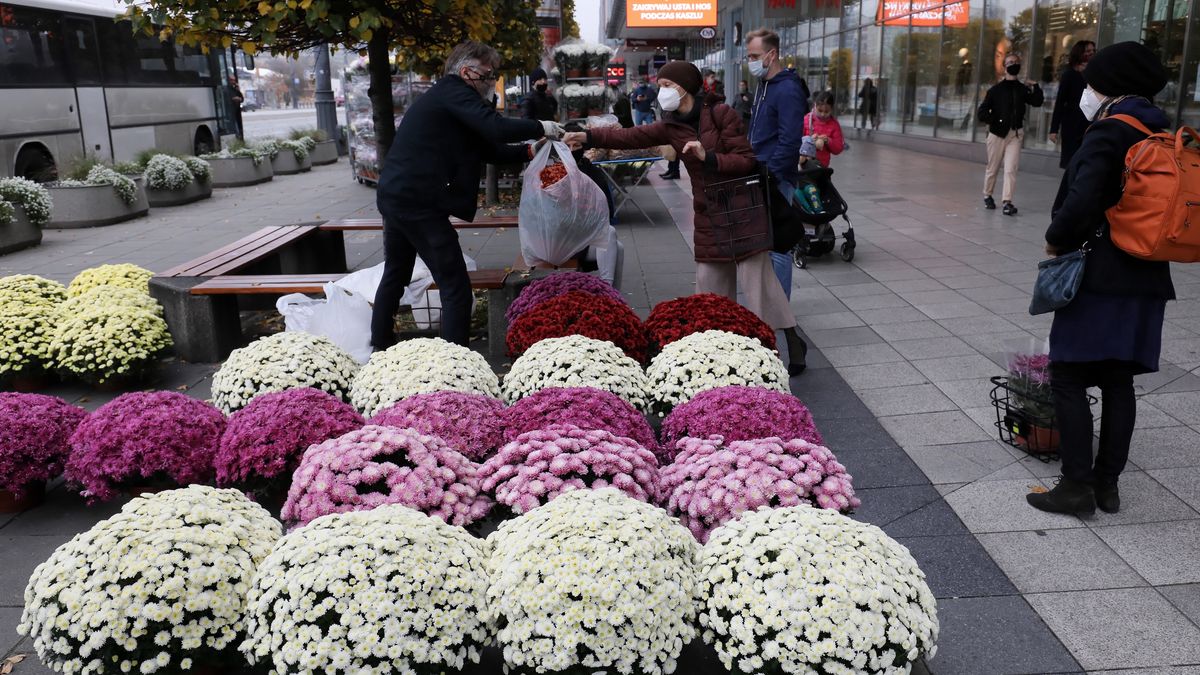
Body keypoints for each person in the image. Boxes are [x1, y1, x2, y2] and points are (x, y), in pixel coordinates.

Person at [562, 61, 808, 376]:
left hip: (744, 210)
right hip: (709, 214)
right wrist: (587, 137)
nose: (661, 91)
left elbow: (747, 161)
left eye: (666, 84)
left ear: (684, 87)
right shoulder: (670, 126)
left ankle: (780, 344)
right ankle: (721, 353)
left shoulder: (721, 114)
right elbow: (630, 136)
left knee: (758, 288)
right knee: (710, 291)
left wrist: (710, 157)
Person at [1026, 42, 1174, 516]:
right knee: (1118, 380)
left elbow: (1082, 199)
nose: (1087, 89)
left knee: (1068, 374)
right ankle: (1107, 486)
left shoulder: (1108, 131)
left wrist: (1055, 238)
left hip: (1099, 275)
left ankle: (1075, 486)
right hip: (1147, 276)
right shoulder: (1162, 131)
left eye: (1093, 80)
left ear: (1109, 85)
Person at [373, 41, 563, 350]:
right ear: (467, 72)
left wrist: (530, 149)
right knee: (455, 285)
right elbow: (495, 128)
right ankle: (456, 363)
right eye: (488, 75)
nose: (491, 82)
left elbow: (486, 146)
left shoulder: (451, 98)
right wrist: (542, 126)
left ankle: (379, 348)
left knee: (396, 275)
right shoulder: (454, 92)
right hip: (416, 202)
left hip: (398, 195)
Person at [745, 27, 810, 345]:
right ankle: (771, 307)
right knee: (768, 246)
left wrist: (773, 174)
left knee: (779, 247)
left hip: (775, 178)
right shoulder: (765, 85)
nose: (751, 62)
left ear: (772, 54)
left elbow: (790, 138)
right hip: (761, 172)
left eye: (755, 56)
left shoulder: (786, 89)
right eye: (749, 56)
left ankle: (779, 313)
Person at [977, 53, 1044, 216]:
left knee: (1010, 169)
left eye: (1016, 62)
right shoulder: (995, 90)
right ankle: (988, 195)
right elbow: (982, 112)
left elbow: (1037, 101)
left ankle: (1007, 202)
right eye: (1010, 62)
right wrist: (996, 120)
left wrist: (1036, 86)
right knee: (992, 168)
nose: (1013, 64)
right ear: (1004, 67)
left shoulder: (1022, 89)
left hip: (1015, 134)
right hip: (997, 134)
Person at [1049, 40, 1096, 169]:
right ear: (1080, 53)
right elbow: (1060, 102)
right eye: (1088, 51)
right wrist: (1054, 129)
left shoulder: (1095, 73)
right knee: (1071, 161)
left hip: (1090, 122)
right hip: (1072, 124)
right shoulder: (1069, 75)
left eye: (1093, 51)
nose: (1091, 53)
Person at [804, 90, 845, 168]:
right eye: (820, 110)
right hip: (804, 163)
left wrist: (828, 141)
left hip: (822, 165)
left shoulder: (834, 124)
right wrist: (809, 140)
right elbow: (795, 141)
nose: (823, 114)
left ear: (831, 109)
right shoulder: (806, 120)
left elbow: (838, 148)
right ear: (815, 105)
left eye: (827, 111)